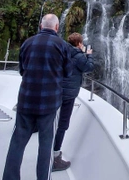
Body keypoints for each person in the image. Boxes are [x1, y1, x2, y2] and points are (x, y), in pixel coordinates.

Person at [2, 14, 73, 180]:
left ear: (41, 26)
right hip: (49, 102)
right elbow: (68, 73)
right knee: (46, 145)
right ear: (57, 27)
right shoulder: (62, 45)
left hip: (26, 99)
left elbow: (22, 69)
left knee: (17, 142)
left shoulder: (27, 43)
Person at [53, 32, 94, 172]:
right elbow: (88, 67)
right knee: (63, 124)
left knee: (51, 120)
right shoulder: (78, 56)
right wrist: (88, 54)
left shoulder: (61, 52)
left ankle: (46, 151)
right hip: (69, 94)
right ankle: (55, 156)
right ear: (79, 43)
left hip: (56, 90)